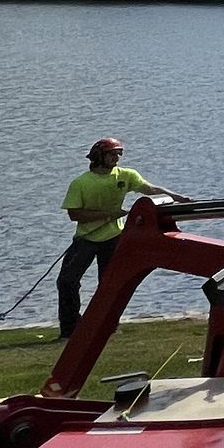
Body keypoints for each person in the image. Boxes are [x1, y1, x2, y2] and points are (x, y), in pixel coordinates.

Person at [57, 137, 182, 336]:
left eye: (118, 154)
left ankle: (108, 326)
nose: (116, 158)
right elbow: (75, 214)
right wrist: (108, 214)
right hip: (86, 240)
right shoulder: (80, 183)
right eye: (112, 154)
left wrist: (177, 197)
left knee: (109, 283)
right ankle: (70, 329)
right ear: (99, 157)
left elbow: (150, 189)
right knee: (67, 281)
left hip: (114, 238)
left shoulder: (126, 175)